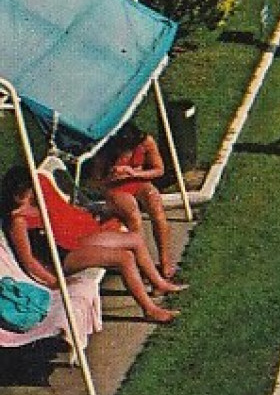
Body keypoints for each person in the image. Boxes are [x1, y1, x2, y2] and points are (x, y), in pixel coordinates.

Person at [3, 166, 183, 324]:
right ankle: (150, 310)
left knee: (135, 239)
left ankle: (159, 283)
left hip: (70, 240)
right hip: (60, 257)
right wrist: (56, 282)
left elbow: (62, 214)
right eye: (23, 192)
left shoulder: (38, 198)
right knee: (124, 258)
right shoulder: (18, 220)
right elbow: (28, 260)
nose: (28, 194)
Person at [87, 124, 178, 280]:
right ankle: (146, 267)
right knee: (133, 215)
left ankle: (165, 261)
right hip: (115, 188)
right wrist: (112, 177)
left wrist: (133, 172)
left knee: (155, 205)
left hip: (138, 180)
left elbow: (159, 170)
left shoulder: (146, 142)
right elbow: (96, 183)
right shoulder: (105, 150)